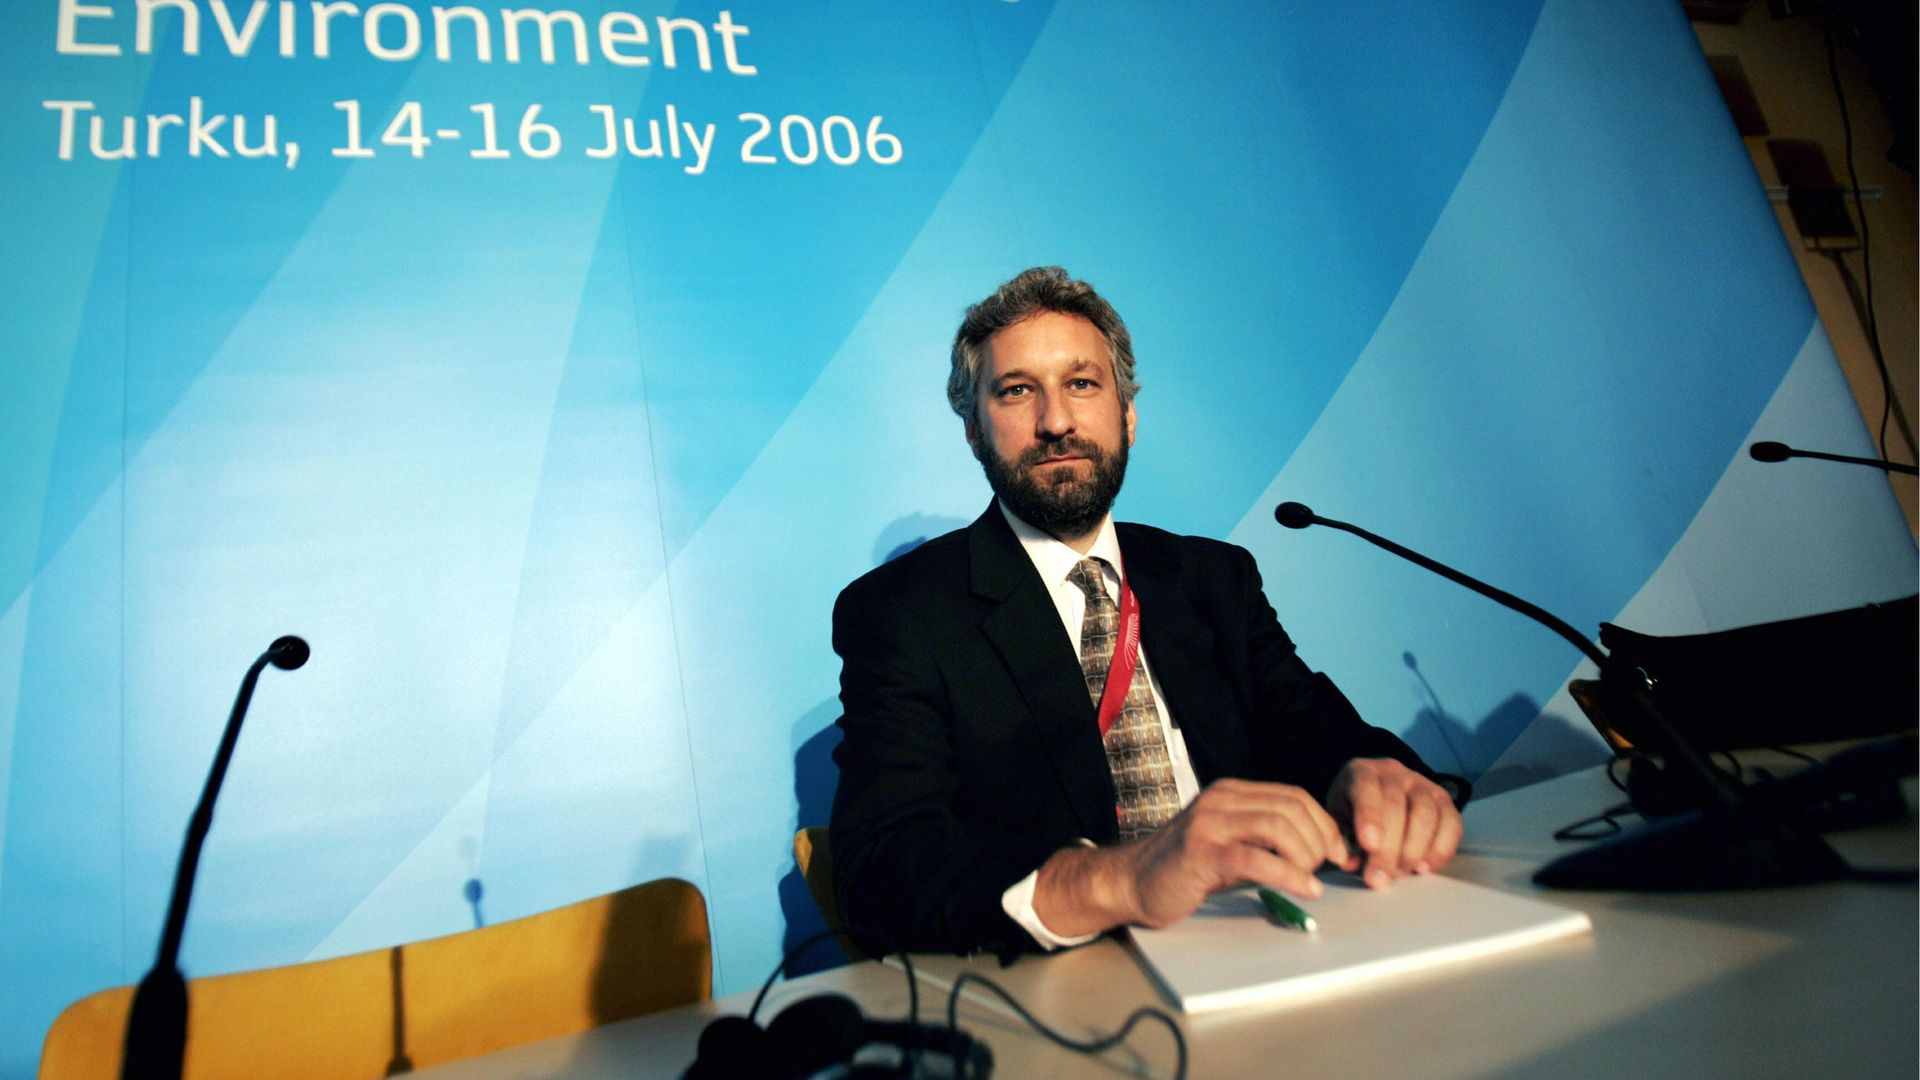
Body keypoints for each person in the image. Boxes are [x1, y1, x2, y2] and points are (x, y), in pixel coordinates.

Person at [828, 266, 1463, 958]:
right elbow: (885, 869)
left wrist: (1368, 775)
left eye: (1082, 384)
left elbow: (1312, 727)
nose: (1056, 421)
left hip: (1268, 940)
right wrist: (1126, 879)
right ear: (976, 431)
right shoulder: (903, 614)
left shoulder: (1211, 578)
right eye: (1016, 392)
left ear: (1127, 413)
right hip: (1075, 987)